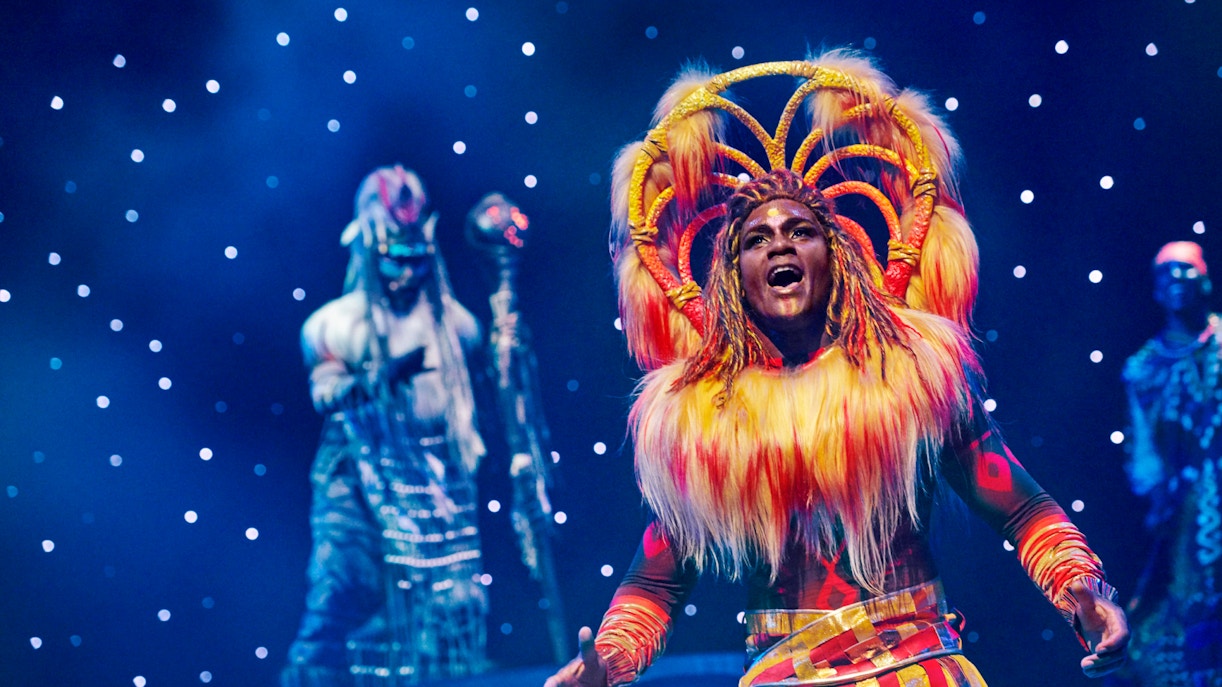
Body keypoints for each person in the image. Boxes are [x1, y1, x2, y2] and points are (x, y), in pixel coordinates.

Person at [546, 53, 1129, 687]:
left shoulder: (911, 380)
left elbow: (1020, 509)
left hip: (912, 666)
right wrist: (609, 661)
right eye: (755, 239)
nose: (779, 244)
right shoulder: (704, 422)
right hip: (782, 672)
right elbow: (655, 577)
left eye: (800, 231)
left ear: (837, 256)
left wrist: (1083, 590)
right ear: (732, 276)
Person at [282, 165, 491, 687]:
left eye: (413, 258)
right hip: (358, 479)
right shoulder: (335, 326)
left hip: (435, 485)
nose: (404, 273)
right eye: (392, 257)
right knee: (343, 592)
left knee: (449, 617)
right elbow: (324, 392)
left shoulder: (457, 327)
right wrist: (374, 381)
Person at [1116, 240, 1222, 687]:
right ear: (1156, 290)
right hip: (1188, 513)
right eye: (1166, 273)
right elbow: (1144, 458)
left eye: (1185, 270)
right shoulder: (1142, 369)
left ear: (1204, 279)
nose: (1176, 280)